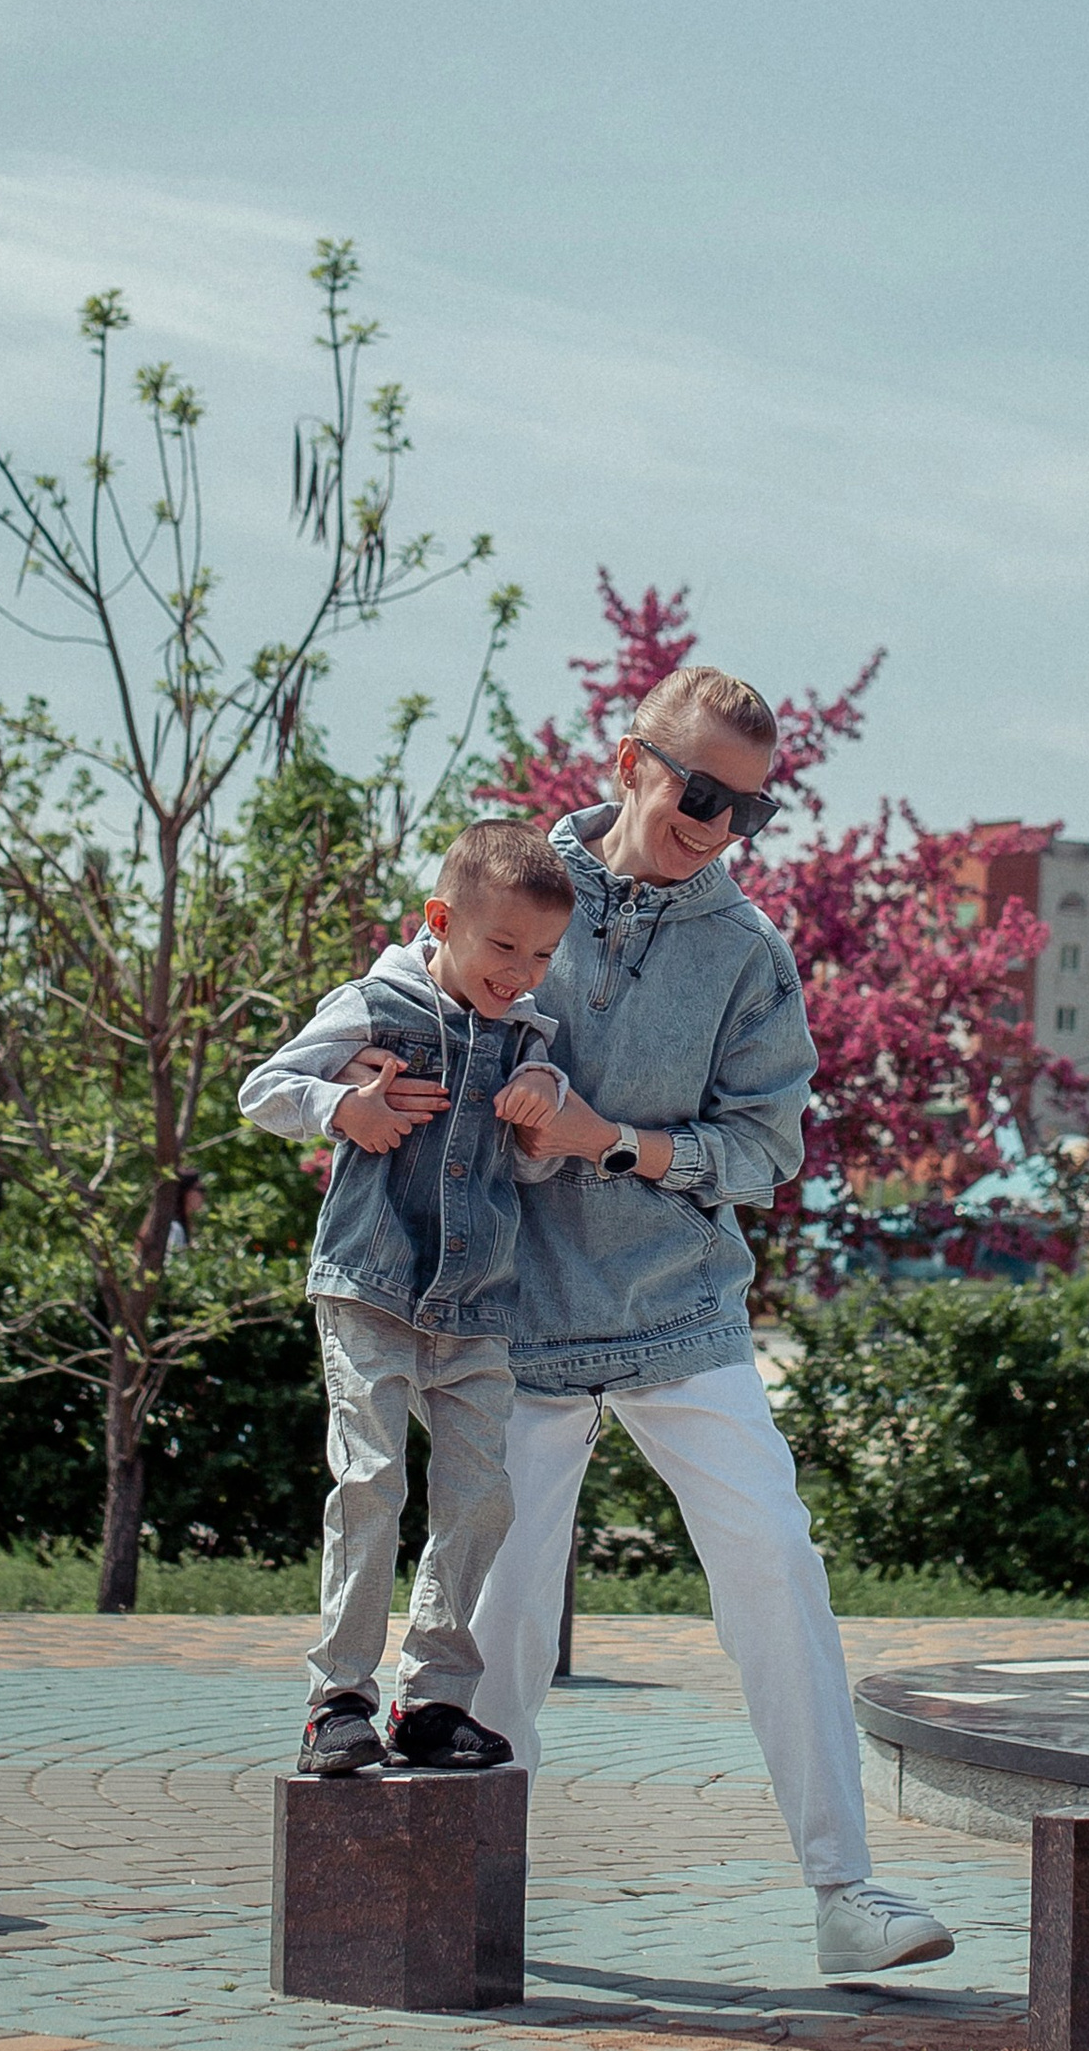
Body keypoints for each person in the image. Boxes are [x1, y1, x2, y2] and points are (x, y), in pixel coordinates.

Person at [407, 663, 955, 1977]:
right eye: (700, 788)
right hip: (517, 1316)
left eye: (748, 808)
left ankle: (846, 1893)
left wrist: (617, 1144)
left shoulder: (747, 956)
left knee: (775, 1558)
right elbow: (411, 993)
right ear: (629, 759)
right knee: (503, 1613)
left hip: (679, 1314)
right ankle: (477, 1898)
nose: (716, 822)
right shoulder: (516, 885)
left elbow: (763, 1150)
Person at [238, 815, 574, 1779]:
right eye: (501, 945)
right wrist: (346, 1106)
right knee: (372, 1477)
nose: (518, 972)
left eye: (541, 954)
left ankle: (432, 1700)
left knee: (480, 1499)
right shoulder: (374, 1005)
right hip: (372, 1285)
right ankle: (338, 1697)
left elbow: (532, 1172)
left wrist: (541, 1103)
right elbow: (266, 1089)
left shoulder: (529, 1040)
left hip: (476, 1304)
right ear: (442, 919)